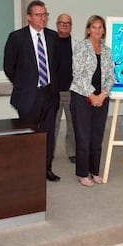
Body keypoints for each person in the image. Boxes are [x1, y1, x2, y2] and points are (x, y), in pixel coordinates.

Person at [4, 0, 61, 182]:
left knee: (48, 134)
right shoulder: (16, 37)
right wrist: (24, 84)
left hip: (49, 94)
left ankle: (46, 168)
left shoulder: (53, 36)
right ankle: (29, 170)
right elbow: (9, 67)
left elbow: (56, 65)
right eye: (38, 15)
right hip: (28, 95)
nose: (43, 18)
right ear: (29, 17)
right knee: (29, 134)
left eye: (45, 15)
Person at [70, 15, 115, 186]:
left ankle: (94, 171)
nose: (97, 30)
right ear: (88, 29)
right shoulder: (81, 47)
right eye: (94, 27)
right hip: (82, 95)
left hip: (101, 96)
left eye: (100, 27)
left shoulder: (107, 50)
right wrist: (92, 95)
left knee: (97, 136)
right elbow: (78, 74)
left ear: (103, 30)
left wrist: (103, 95)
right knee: (83, 135)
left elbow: (111, 76)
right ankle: (82, 173)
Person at [54, 13, 77, 163]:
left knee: (73, 124)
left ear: (71, 26)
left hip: (71, 90)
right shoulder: (49, 41)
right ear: (57, 25)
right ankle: (49, 152)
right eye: (62, 23)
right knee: (52, 125)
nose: (65, 25)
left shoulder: (77, 43)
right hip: (53, 91)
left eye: (68, 23)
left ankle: (72, 152)